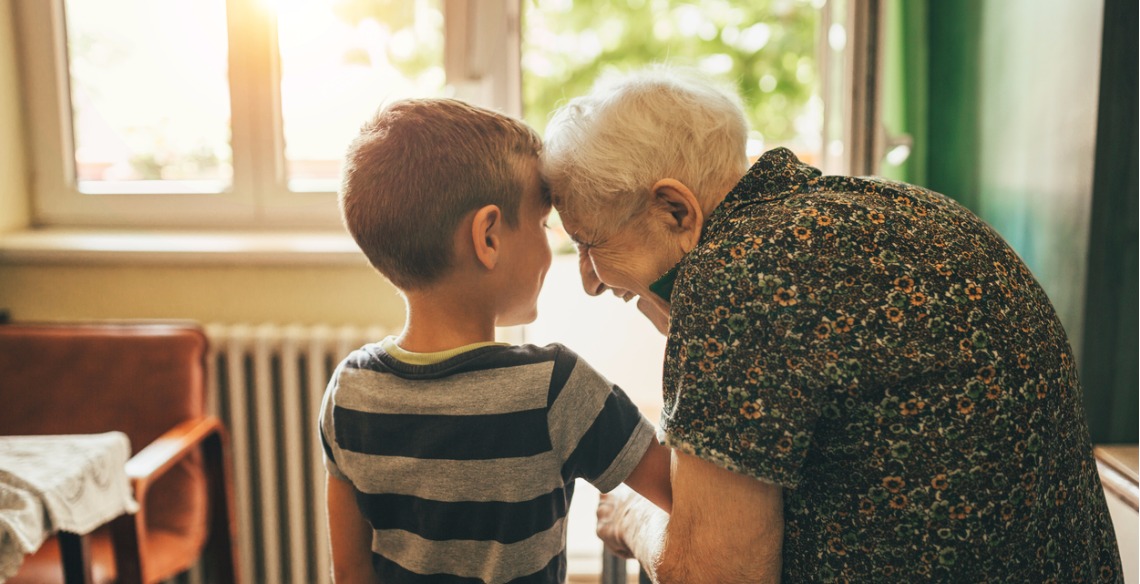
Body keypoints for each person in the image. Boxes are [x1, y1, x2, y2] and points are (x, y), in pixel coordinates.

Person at [541, 68, 1123, 582]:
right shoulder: (907, 208)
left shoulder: (735, 276)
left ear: (676, 210)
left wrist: (633, 514)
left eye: (590, 244)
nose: (590, 281)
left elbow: (716, 575)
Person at [321, 98, 672, 584]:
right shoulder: (555, 389)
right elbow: (683, 491)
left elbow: (351, 572)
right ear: (488, 236)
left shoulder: (350, 392)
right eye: (543, 223)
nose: (553, 244)